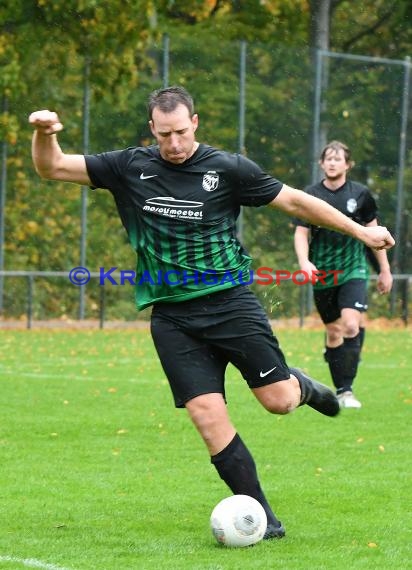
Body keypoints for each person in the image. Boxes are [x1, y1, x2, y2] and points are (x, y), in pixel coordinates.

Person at [29, 88, 394, 539]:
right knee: (207, 417)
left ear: (195, 123)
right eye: (165, 135)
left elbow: (298, 202)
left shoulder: (227, 168)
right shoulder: (129, 167)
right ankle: (262, 519)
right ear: (152, 130)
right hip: (172, 319)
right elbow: (52, 167)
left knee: (278, 401)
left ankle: (301, 384)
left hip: (230, 304)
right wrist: (45, 134)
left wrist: (360, 230)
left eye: (182, 132)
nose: (175, 144)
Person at [294, 140, 393, 409]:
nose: (333, 162)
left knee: (350, 324)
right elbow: (301, 232)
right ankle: (341, 384)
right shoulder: (310, 195)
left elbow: (375, 234)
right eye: (328, 158)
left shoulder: (361, 195)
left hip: (353, 269)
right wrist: (304, 262)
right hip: (323, 273)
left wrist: (384, 270)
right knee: (334, 331)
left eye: (338, 158)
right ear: (321, 163)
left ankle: (346, 391)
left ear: (348, 164)